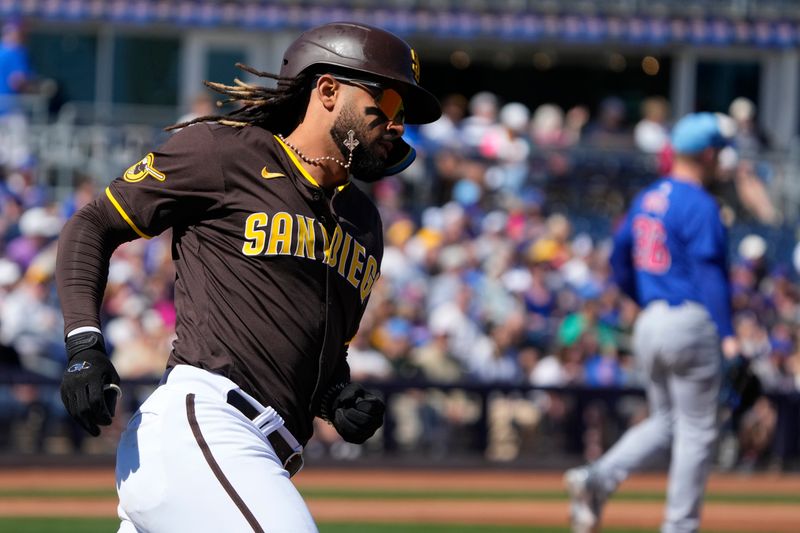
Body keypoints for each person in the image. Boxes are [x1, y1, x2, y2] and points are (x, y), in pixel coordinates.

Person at [55, 21, 440, 532]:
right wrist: (84, 344)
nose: (397, 124)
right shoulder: (227, 152)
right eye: (389, 102)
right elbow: (93, 223)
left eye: (404, 115)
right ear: (327, 90)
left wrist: (335, 396)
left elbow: (319, 353)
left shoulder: (365, 224)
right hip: (206, 426)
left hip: (259, 455)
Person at [564, 112, 739, 533]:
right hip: (690, 320)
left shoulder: (646, 198)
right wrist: (728, 334)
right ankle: (680, 526)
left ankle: (597, 478)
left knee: (666, 421)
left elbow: (619, 260)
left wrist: (644, 299)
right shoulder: (700, 201)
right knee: (698, 429)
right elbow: (710, 271)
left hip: (651, 321)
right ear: (710, 154)